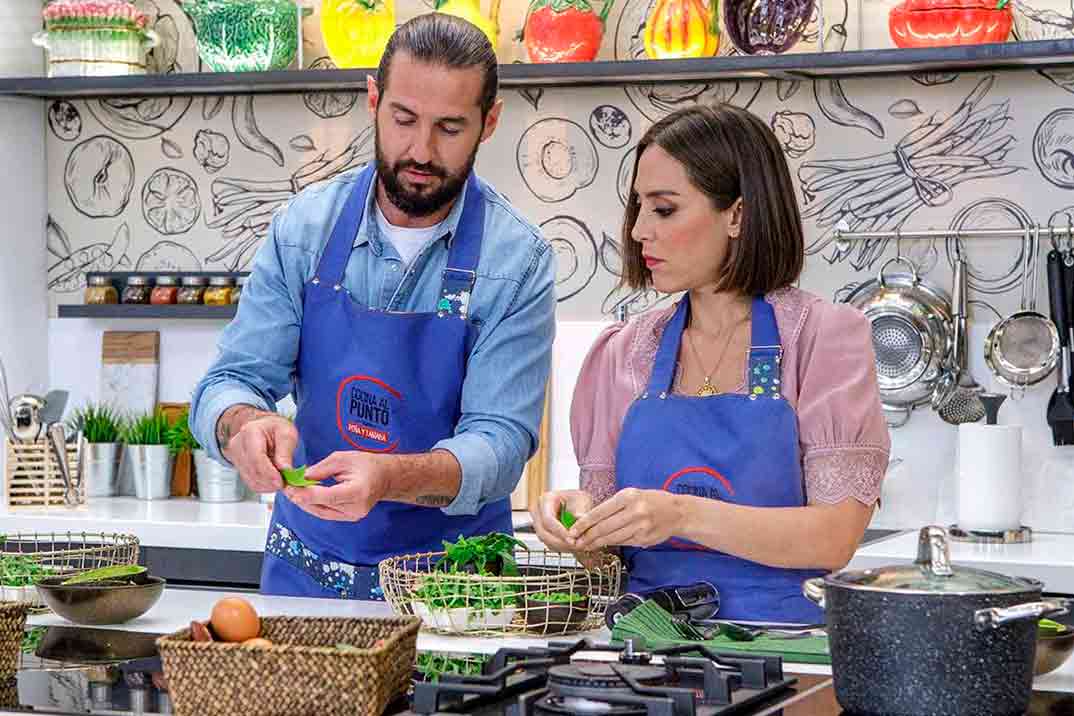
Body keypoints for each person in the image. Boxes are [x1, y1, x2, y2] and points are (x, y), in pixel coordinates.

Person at [190, 13, 556, 600]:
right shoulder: (303, 230)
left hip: (454, 596)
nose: (421, 149)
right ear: (372, 99)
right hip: (305, 582)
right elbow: (230, 382)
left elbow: (500, 445)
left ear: (489, 123)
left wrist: (388, 477)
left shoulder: (519, 261)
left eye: (450, 128)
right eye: (404, 119)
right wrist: (243, 423)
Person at [530, 104, 890, 623]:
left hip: (783, 647)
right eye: (638, 207)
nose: (637, 231)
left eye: (664, 209)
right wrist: (577, 522)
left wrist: (679, 514)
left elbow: (834, 538)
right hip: (645, 646)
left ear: (737, 215)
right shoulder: (623, 353)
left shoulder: (822, 339)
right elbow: (608, 557)